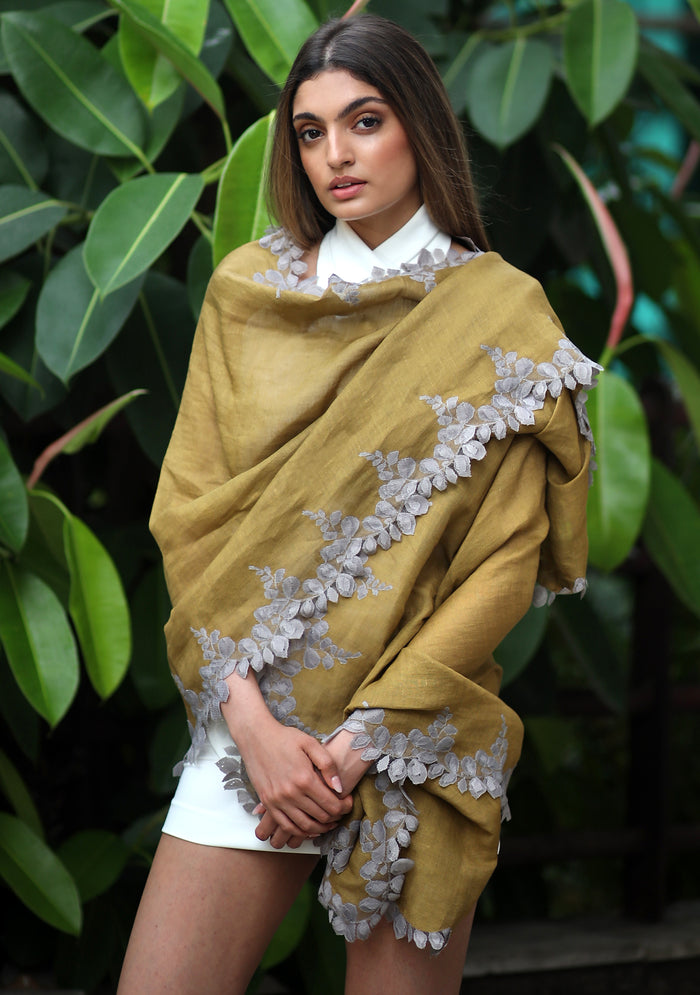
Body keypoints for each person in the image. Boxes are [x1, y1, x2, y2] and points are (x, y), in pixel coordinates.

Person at [118, 13, 598, 995]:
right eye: (311, 131)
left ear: (419, 125)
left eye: (365, 120)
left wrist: (355, 744)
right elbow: (189, 518)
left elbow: (504, 562)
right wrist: (255, 729)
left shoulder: (501, 316)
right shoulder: (247, 293)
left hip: (411, 736)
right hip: (247, 734)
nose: (335, 153)